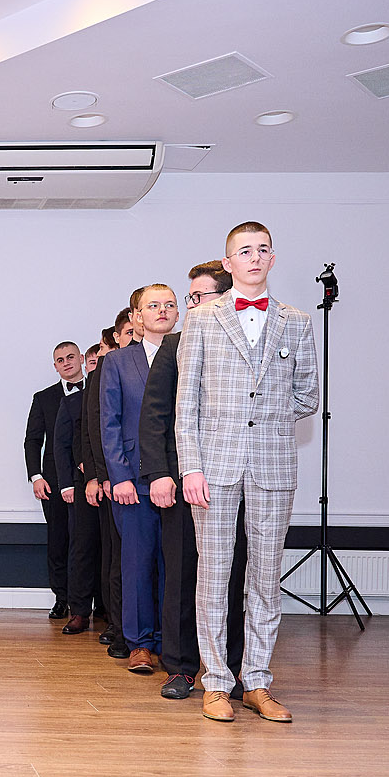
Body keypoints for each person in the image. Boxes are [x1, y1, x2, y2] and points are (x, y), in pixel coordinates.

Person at [177, 221, 319, 723]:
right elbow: (186, 404)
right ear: (228, 261)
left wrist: (267, 419)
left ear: (272, 259)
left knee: (264, 577)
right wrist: (191, 467)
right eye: (245, 250)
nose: (254, 257)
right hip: (213, 466)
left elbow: (308, 395)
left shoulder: (297, 321)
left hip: (273, 465)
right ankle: (216, 682)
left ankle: (256, 681)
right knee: (214, 575)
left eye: (263, 249)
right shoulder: (202, 319)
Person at [140, 261, 249, 701]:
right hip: (183, 482)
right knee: (184, 576)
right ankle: (182, 667)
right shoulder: (174, 346)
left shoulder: (247, 346)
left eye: (199, 297)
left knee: (233, 577)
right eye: (191, 298)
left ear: (226, 299)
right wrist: (160, 474)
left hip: (234, 482)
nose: (190, 306)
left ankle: (231, 669)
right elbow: (155, 416)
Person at [101, 285, 179, 675]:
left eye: (170, 304)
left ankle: (172, 642)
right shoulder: (117, 361)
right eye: (153, 305)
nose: (162, 310)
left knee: (175, 566)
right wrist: (119, 477)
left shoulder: (190, 354)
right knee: (137, 564)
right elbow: (109, 423)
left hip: (180, 480)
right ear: (137, 316)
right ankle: (140, 644)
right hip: (133, 480)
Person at [83, 315, 135, 659]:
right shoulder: (106, 368)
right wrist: (100, 475)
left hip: (155, 478)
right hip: (115, 478)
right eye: (128, 331)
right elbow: (96, 425)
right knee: (118, 557)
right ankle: (119, 626)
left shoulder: (166, 359)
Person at [24, 341, 83, 620]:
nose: (66, 362)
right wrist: (36, 476)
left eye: (70, 357)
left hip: (91, 481)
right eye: (60, 360)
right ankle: (62, 598)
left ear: (81, 358)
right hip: (54, 482)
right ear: (55, 366)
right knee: (58, 540)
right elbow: (33, 440)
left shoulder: (98, 391)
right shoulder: (43, 398)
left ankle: (96, 602)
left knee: (91, 542)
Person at [52, 343, 99, 636]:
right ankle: (79, 610)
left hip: (119, 482)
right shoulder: (70, 403)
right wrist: (68, 483)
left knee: (112, 552)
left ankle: (109, 612)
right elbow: (62, 445)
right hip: (83, 485)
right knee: (81, 547)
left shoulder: (117, 395)